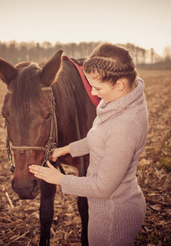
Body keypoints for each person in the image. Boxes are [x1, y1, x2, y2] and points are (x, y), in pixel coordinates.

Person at [29, 42, 148, 246]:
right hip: (108, 208)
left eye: (98, 87)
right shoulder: (126, 98)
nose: (93, 93)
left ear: (119, 85)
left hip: (112, 218)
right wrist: (66, 149)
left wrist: (59, 179)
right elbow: (101, 137)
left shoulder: (125, 125)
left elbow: (102, 188)